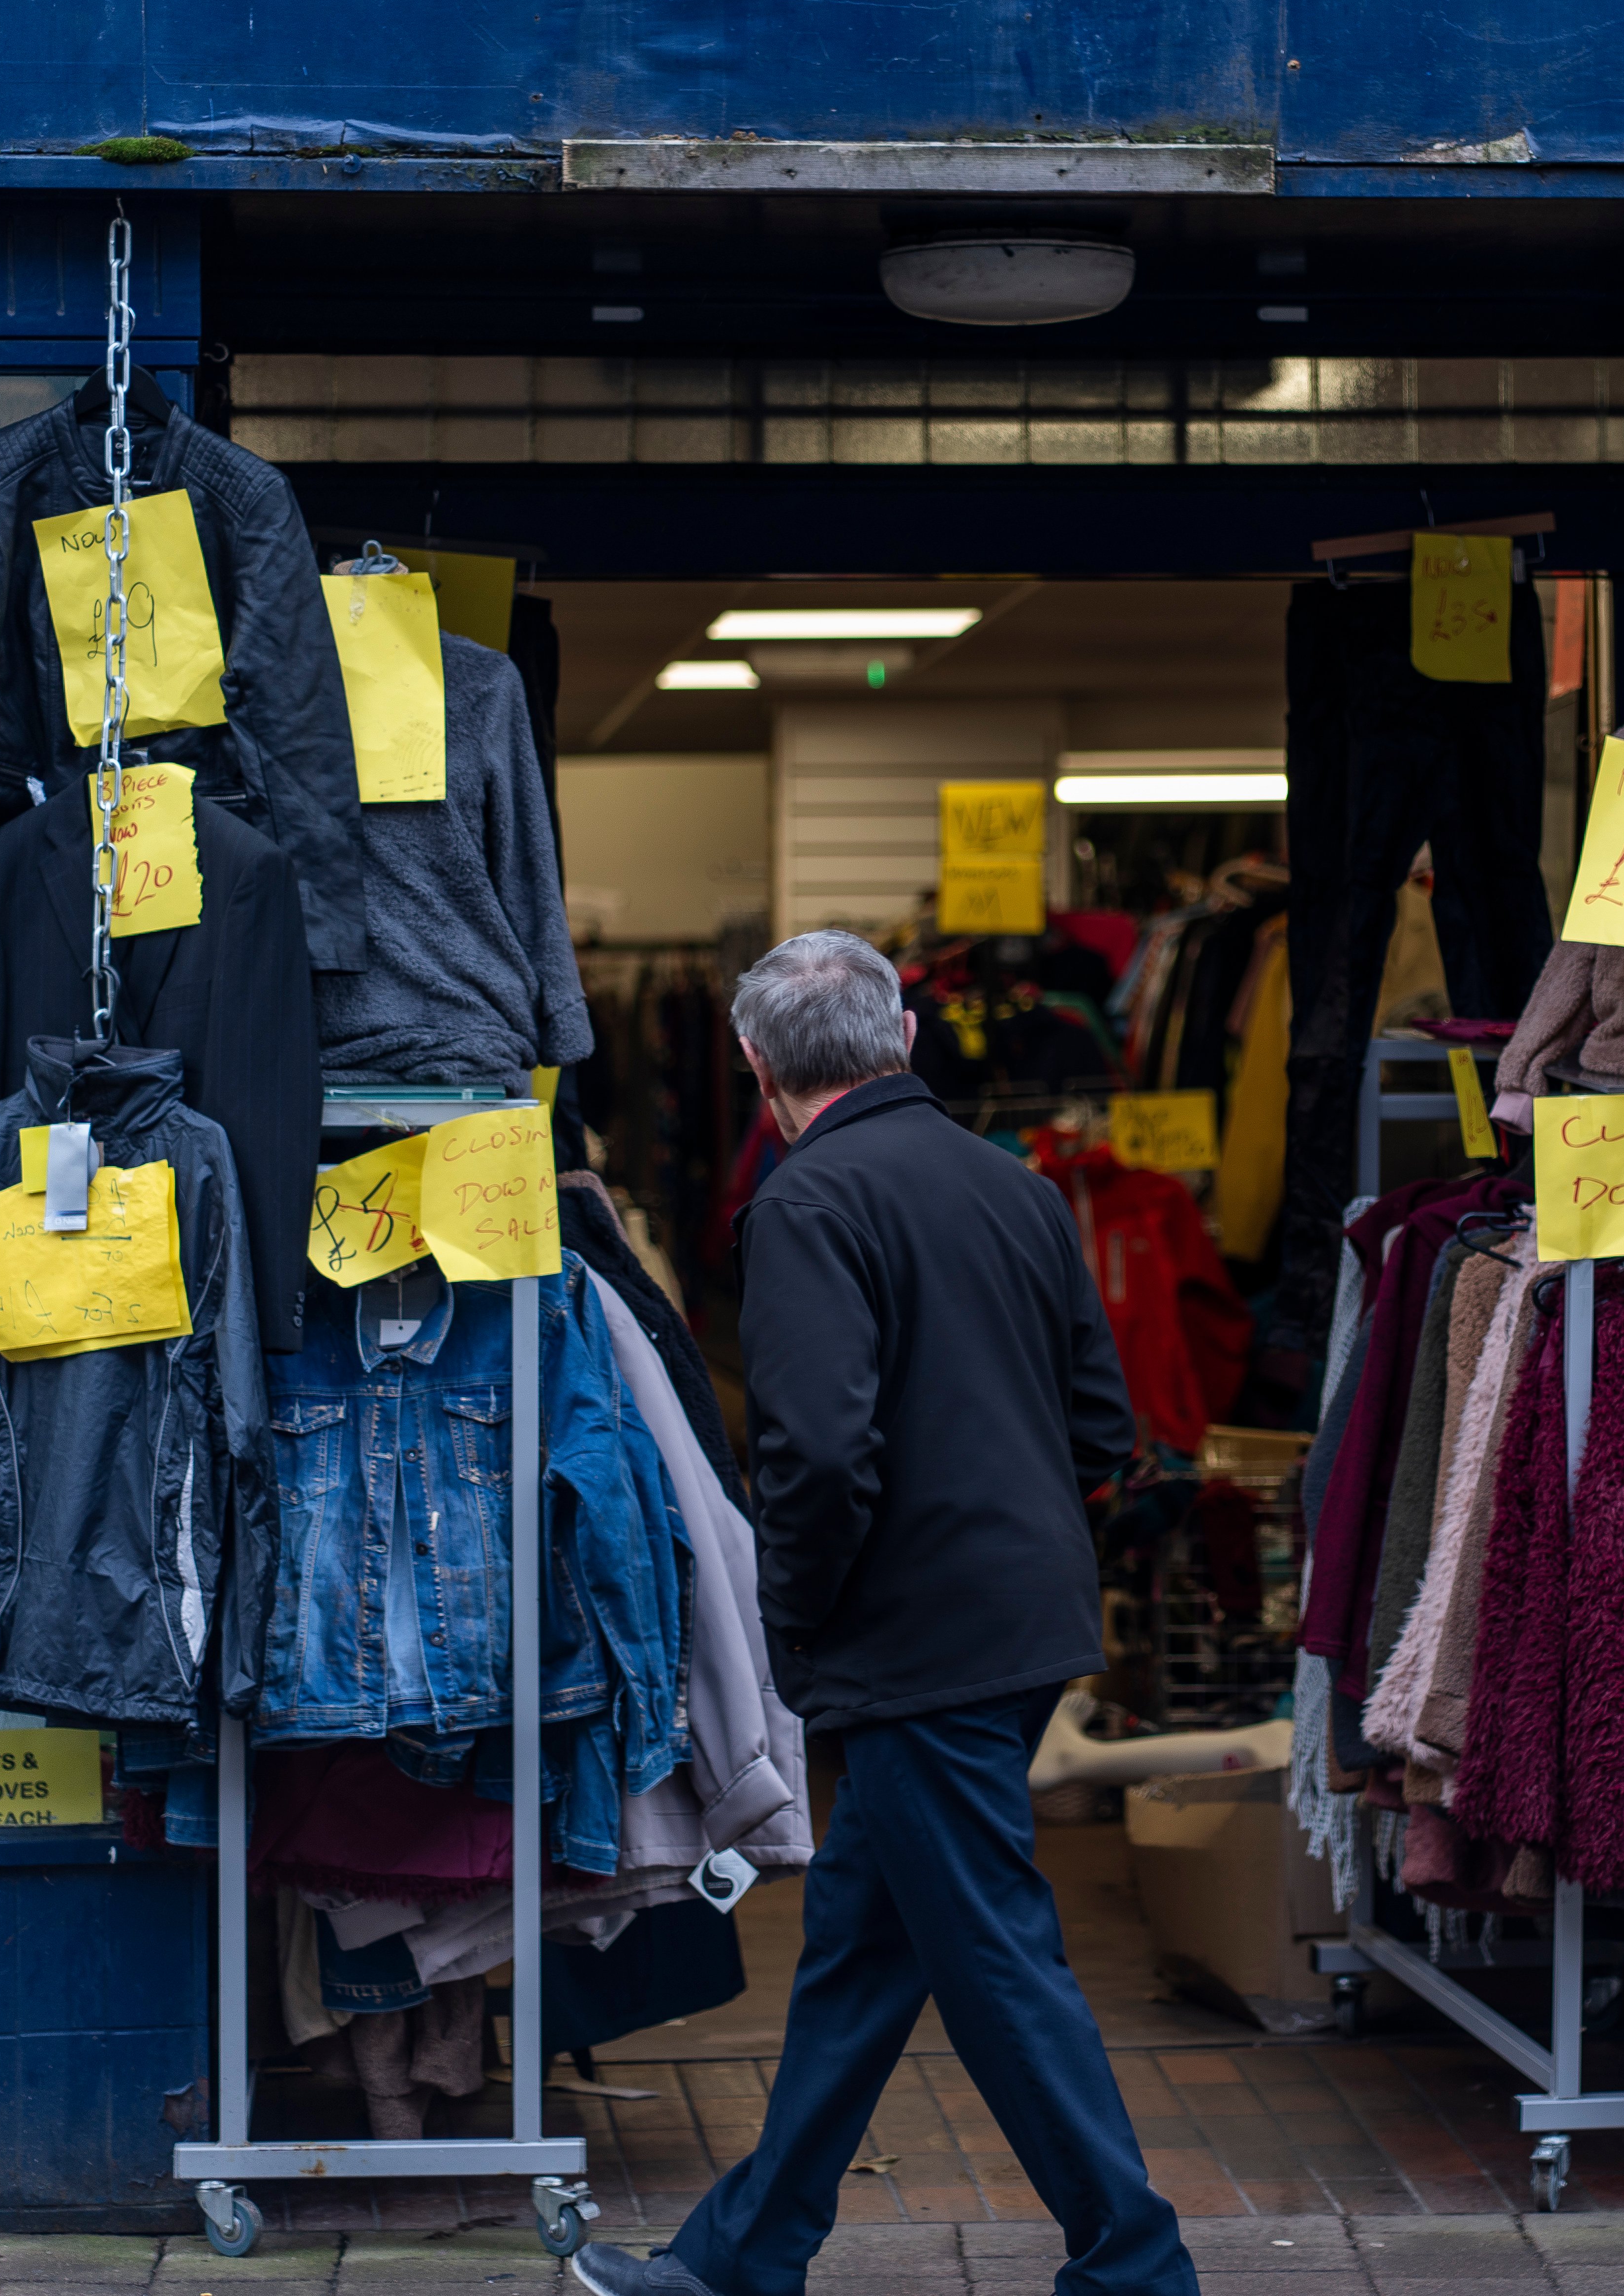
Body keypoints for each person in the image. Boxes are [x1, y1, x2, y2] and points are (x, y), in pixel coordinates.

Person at [571, 932, 1194, 2296]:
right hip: (1021, 1621)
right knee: (865, 1953)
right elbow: (1100, 1419)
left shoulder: (809, 1205)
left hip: (912, 1646)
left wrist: (791, 1632)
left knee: (995, 1955)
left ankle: (1137, 2262)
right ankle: (747, 2252)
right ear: (904, 1037)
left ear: (754, 1068)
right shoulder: (1015, 1188)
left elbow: (817, 1460)